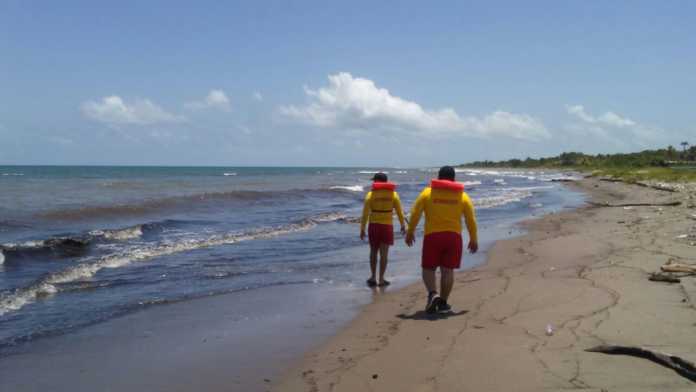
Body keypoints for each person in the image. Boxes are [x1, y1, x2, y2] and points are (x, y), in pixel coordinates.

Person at [405, 166, 478, 313]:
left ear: (438, 177)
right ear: (454, 179)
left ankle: (433, 294)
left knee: (428, 268)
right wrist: (473, 238)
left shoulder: (427, 193)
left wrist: (410, 232)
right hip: (453, 238)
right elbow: (471, 219)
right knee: (448, 271)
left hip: (433, 237)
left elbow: (415, 213)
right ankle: (443, 303)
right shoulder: (462, 196)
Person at [360, 172, 406, 287]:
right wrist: (403, 225)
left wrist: (362, 229)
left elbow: (365, 214)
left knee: (373, 252)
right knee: (384, 254)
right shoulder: (393, 194)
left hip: (374, 226)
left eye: (374, 180)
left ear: (377, 181)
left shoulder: (370, 195)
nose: (373, 182)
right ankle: (381, 279)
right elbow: (400, 212)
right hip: (387, 226)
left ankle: (372, 277)